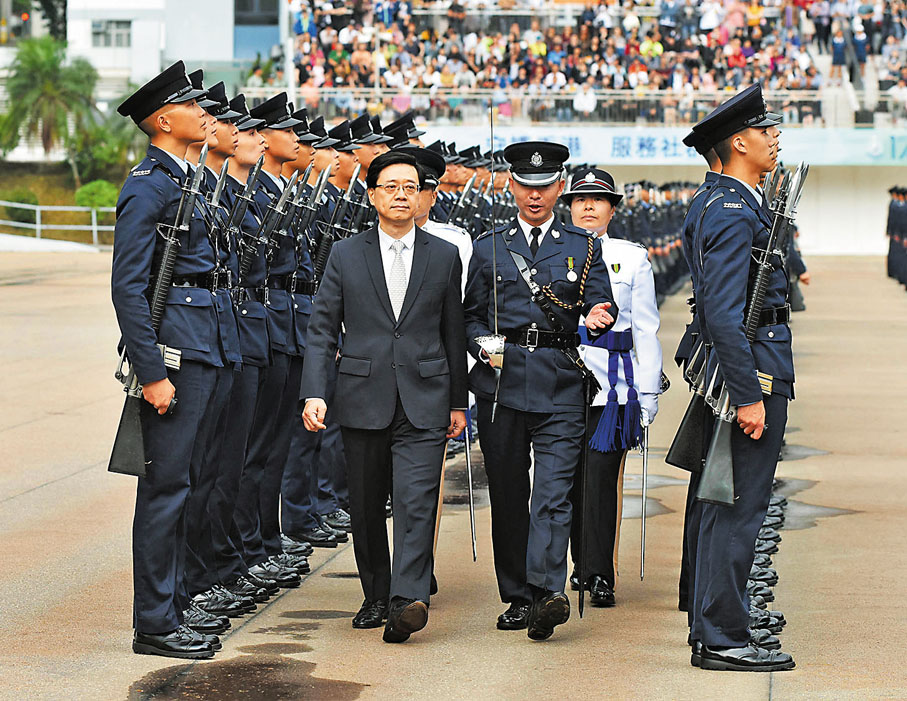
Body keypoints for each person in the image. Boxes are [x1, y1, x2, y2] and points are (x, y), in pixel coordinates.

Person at [301, 150, 468, 644]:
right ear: (372, 194)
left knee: (418, 501)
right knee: (367, 503)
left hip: (426, 396)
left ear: (421, 196)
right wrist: (315, 391)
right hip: (361, 396)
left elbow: (453, 334)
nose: (401, 193)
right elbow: (322, 330)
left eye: (409, 186)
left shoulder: (444, 255)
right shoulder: (345, 254)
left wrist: (458, 401)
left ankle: (406, 600)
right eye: (390, 185)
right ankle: (376, 593)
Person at [463, 141, 617, 641]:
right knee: (509, 494)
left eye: (545, 186)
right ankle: (517, 595)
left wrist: (598, 316)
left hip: (560, 382)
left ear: (559, 188)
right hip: (502, 383)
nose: (535, 195)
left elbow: (601, 302)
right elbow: (468, 314)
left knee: (553, 495)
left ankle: (547, 591)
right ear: (511, 186)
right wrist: (479, 344)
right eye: (525, 186)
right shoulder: (488, 245)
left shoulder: (583, 244)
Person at [112, 60, 223, 659]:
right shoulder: (150, 184)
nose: (203, 114)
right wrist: (152, 371)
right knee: (165, 490)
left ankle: (174, 606)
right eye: (190, 106)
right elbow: (129, 287)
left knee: (189, 484)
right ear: (163, 119)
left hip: (203, 346)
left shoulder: (184, 180)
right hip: (175, 356)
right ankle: (154, 622)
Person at [686, 84, 796, 672]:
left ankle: (714, 625)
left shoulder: (725, 201)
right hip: (750, 371)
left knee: (720, 502)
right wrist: (749, 393)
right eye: (766, 130)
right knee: (737, 506)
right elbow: (726, 314)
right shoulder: (731, 210)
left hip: (741, 365)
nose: (775, 138)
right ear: (738, 141)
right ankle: (723, 637)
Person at [562, 168, 663, 609]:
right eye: (580, 199)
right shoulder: (551, 254)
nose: (588, 206)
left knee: (600, 480)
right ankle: (574, 564)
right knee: (563, 481)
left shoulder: (631, 257)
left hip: (613, 385)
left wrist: (649, 392)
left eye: (597, 200)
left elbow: (646, 328)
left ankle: (599, 572)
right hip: (561, 378)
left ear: (612, 208)